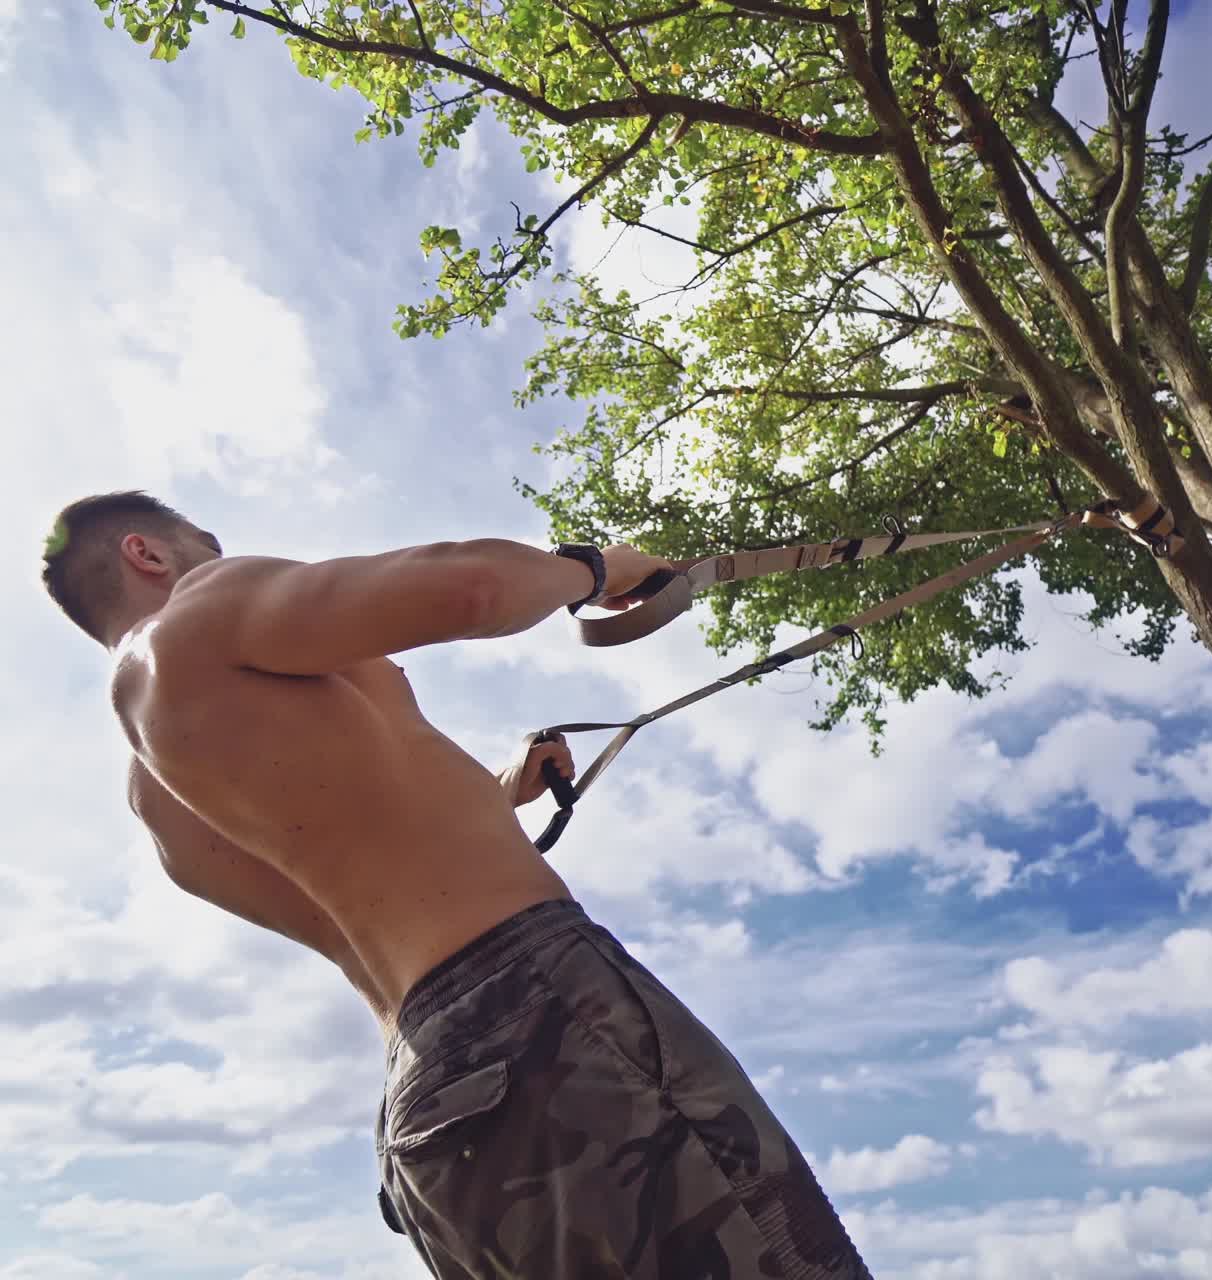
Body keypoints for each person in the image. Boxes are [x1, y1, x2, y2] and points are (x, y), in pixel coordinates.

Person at [41, 490, 873, 1280]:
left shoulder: (159, 803)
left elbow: (364, 883)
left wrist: (498, 791)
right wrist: (594, 568)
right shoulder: (198, 610)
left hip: (433, 1114)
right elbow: (475, 589)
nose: (219, 557)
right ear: (146, 551)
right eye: (205, 546)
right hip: (545, 1023)